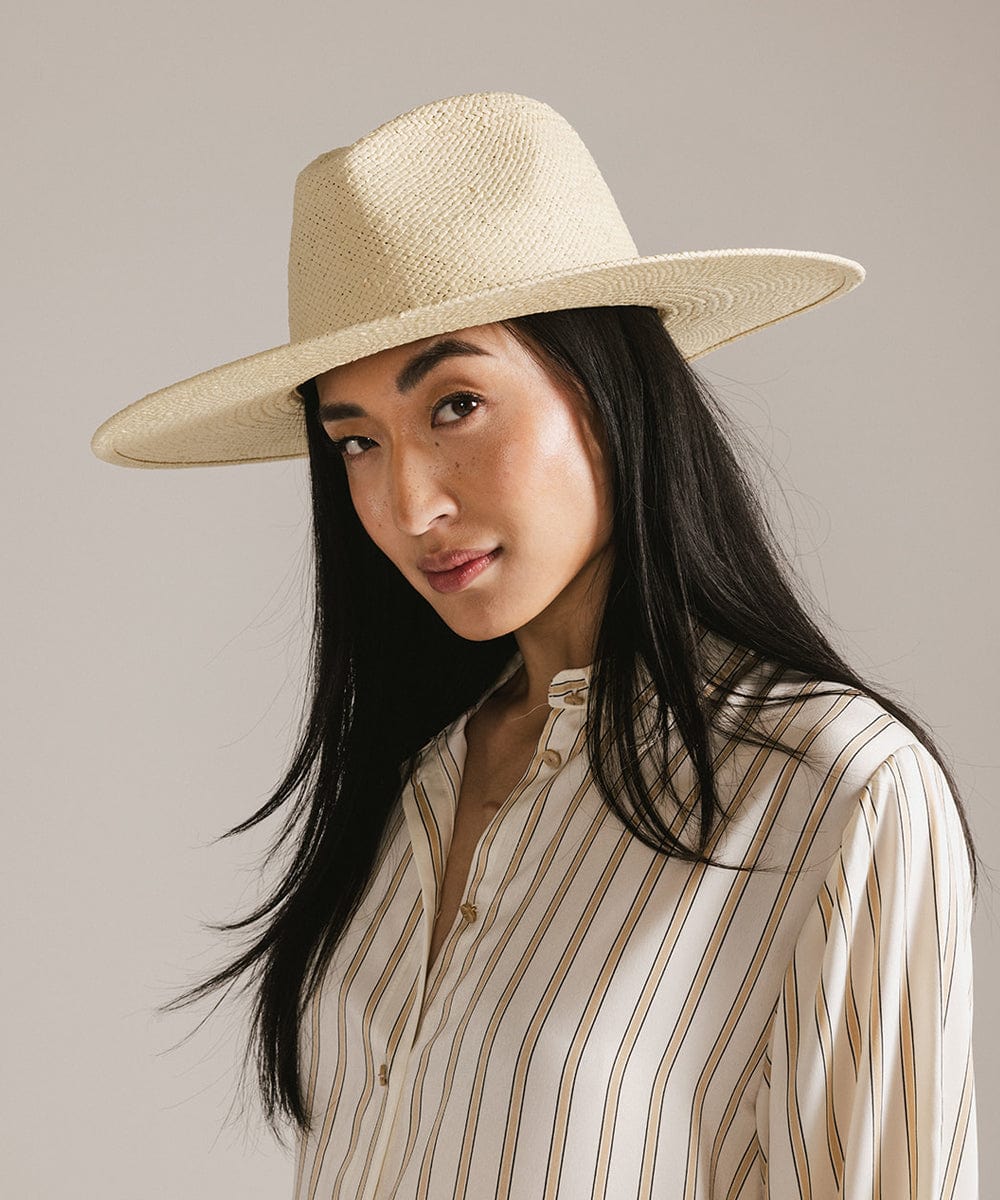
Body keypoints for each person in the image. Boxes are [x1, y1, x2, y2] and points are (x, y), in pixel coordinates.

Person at [90, 91, 980, 1199]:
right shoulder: (414, 780)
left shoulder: (829, 787)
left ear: (609, 390)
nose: (408, 505)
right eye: (356, 443)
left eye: (455, 405)